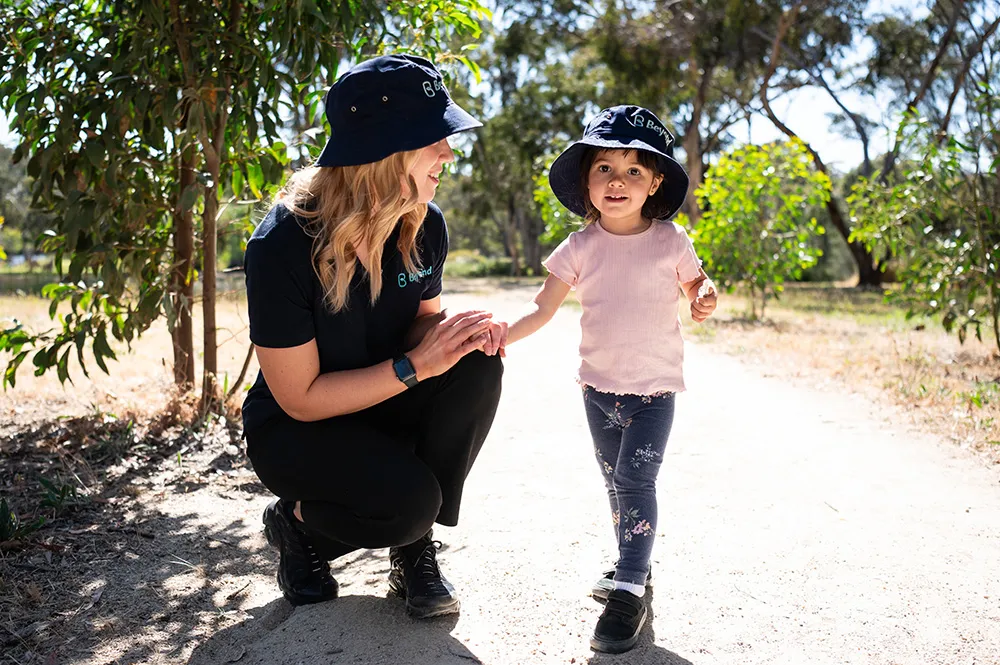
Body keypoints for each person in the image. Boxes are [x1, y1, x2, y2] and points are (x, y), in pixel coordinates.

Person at [241, 54, 505, 620]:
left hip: (380, 398)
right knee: (407, 505)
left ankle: (412, 551)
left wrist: (457, 337)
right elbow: (301, 398)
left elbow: (422, 324)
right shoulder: (282, 244)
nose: (449, 154)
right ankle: (297, 524)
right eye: (436, 139)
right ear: (387, 150)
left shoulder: (423, 222)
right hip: (296, 428)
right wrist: (415, 367)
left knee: (478, 367)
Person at [496, 105, 718, 653]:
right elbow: (541, 309)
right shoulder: (578, 248)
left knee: (637, 483)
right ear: (586, 180)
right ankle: (634, 563)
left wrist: (702, 296)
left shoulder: (670, 240)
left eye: (633, 171)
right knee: (616, 485)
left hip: (653, 393)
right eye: (604, 169)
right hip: (598, 393)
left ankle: (627, 590)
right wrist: (501, 334)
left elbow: (696, 283)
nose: (617, 182)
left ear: (655, 182)